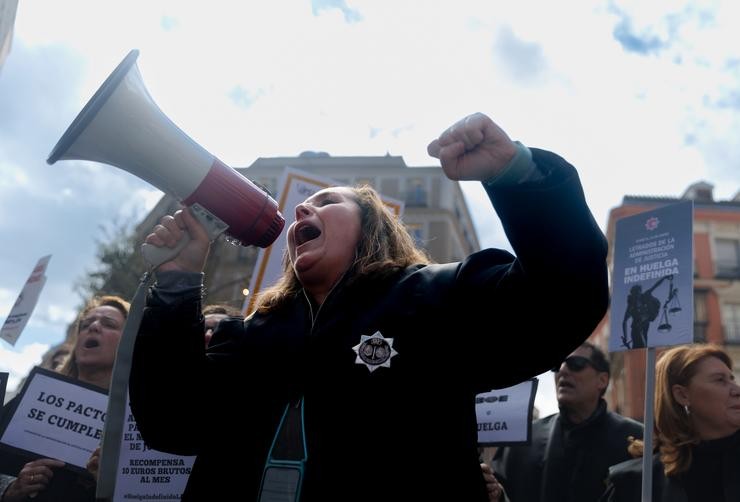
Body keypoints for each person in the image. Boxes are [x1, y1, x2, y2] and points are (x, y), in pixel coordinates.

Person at [128, 111, 610, 501]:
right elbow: (171, 422)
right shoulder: (249, 334)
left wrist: (517, 173)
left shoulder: (439, 298)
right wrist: (176, 287)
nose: (301, 210)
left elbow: (564, 297)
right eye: (303, 206)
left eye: (327, 202)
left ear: (372, 230)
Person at [0, 295, 130, 502]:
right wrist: (10, 491)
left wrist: (114, 488)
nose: (93, 327)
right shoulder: (31, 401)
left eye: (109, 324)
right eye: (85, 324)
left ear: (130, 342)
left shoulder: (134, 421)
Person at [491, 342, 643, 502]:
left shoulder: (637, 439)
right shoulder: (521, 440)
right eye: (557, 366)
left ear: (602, 380)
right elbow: (501, 493)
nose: (563, 370)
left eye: (576, 364)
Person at [600, 343, 740, 501]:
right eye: (720, 380)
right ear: (682, 396)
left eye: (732, 379)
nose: (737, 390)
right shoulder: (636, 483)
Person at [621, 275, 672, 349]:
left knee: (643, 344)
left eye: (638, 293)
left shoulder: (645, 296)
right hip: (636, 328)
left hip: (645, 325)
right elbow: (624, 321)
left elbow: (655, 285)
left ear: (640, 292)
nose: (637, 296)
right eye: (635, 294)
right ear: (633, 294)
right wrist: (625, 337)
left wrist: (664, 278)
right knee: (637, 345)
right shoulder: (631, 306)